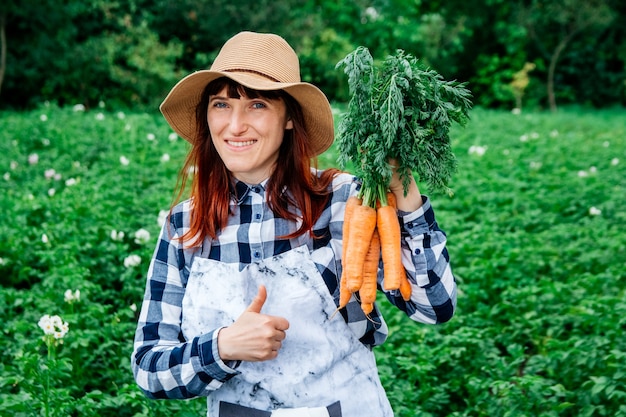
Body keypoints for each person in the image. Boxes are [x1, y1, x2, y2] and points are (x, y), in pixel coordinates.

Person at [131, 31, 457, 417]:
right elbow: (149, 369)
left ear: (288, 119)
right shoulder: (186, 224)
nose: (235, 125)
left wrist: (403, 187)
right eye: (221, 104)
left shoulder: (342, 201)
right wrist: (222, 347)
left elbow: (434, 307)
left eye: (256, 104)